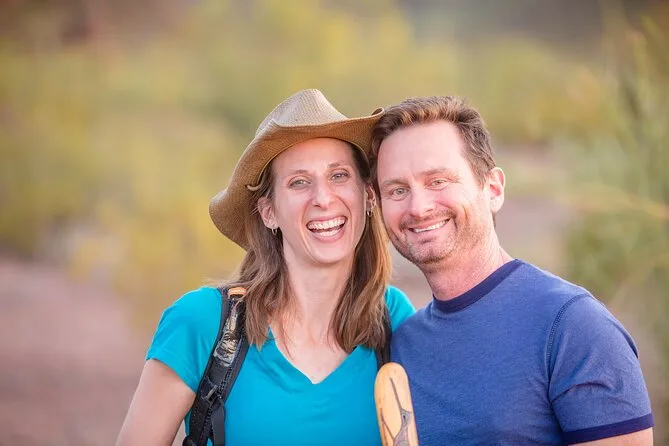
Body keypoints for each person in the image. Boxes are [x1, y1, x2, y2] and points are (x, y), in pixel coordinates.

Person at [116, 89, 414, 446]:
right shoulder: (201, 323)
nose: (323, 198)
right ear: (269, 212)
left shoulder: (394, 321)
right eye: (299, 182)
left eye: (338, 175)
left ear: (368, 195)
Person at [370, 96, 654, 445]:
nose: (418, 207)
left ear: (493, 189)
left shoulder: (573, 327)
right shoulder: (403, 345)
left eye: (438, 181)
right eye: (397, 190)